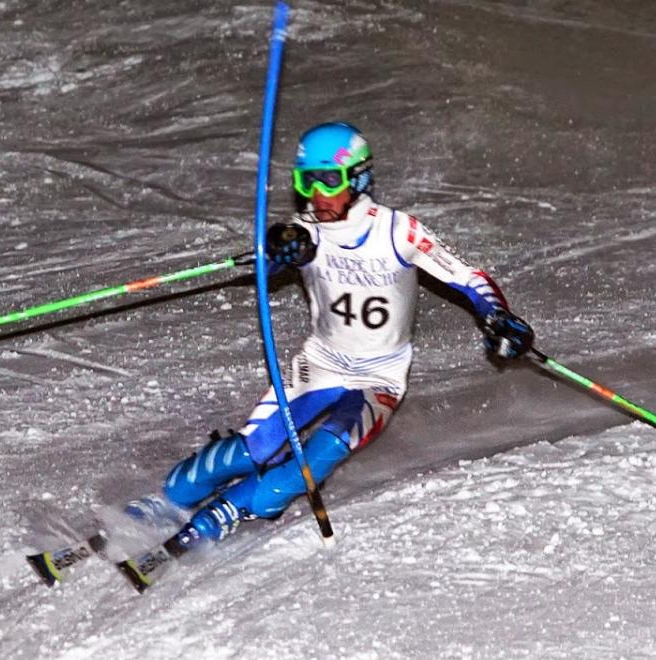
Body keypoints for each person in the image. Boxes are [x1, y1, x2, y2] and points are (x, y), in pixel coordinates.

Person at [133, 122, 534, 552]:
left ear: (358, 179)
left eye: (329, 180)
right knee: (253, 449)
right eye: (307, 182)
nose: (318, 194)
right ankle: (169, 499)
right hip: (321, 365)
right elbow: (277, 256)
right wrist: (276, 251)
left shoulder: (398, 231)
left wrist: (497, 315)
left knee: (309, 465)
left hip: (379, 379)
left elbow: (468, 278)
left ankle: (226, 512)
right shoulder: (306, 232)